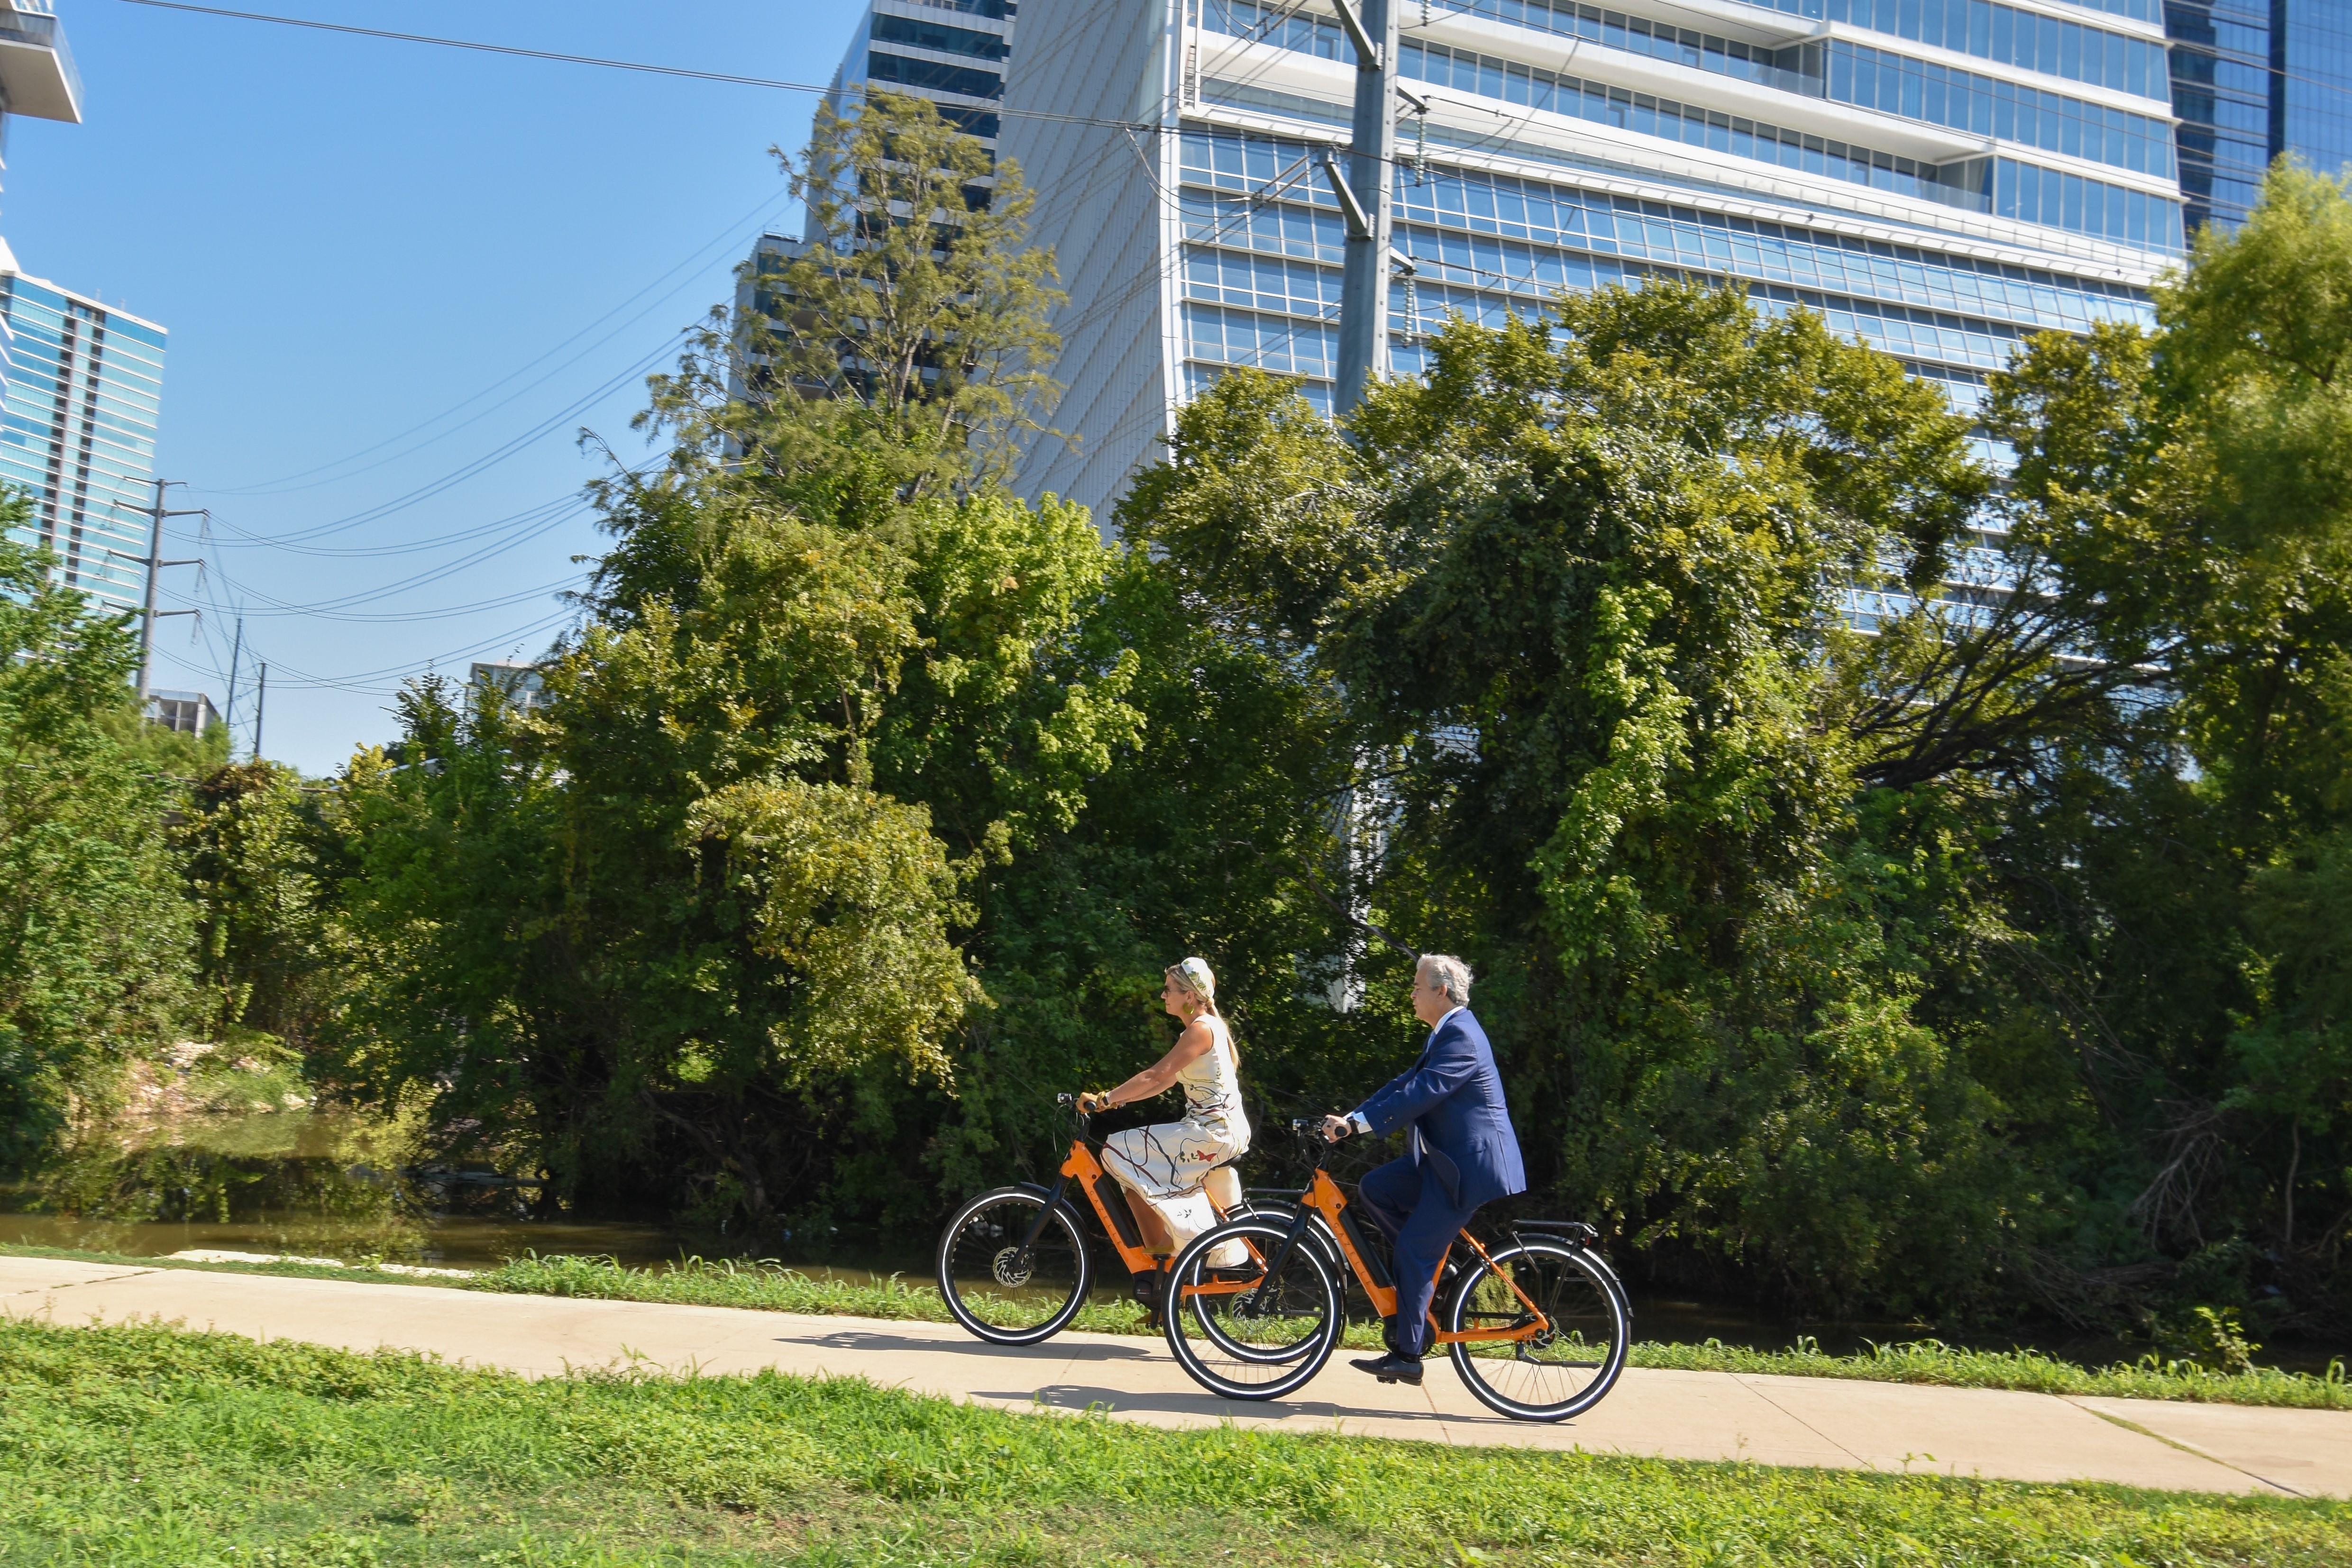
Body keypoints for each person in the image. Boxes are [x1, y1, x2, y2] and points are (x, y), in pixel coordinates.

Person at [1323, 953, 1525, 1386]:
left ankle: (1409, 1354)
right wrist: (1352, 1117)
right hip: (1444, 1161)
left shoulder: (1462, 1037)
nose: (1411, 994)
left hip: (1469, 1167)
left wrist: (1357, 1125)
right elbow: (1403, 1085)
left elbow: (1422, 1093)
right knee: (1377, 1188)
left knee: (1413, 1251)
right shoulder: (1444, 1033)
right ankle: (1441, 1268)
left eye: (1417, 987)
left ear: (1441, 991)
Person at [1080, 957, 1252, 1301]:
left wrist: (1104, 1098)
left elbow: (1155, 1075)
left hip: (1213, 1133)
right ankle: (1161, 1266)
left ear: (1189, 996)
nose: (1162, 996)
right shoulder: (1202, 1029)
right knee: (1133, 1183)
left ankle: (1187, 1247)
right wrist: (1116, 1102)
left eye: (1168, 990)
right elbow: (1163, 1082)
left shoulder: (1201, 1029)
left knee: (1116, 1149)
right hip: (1210, 1131)